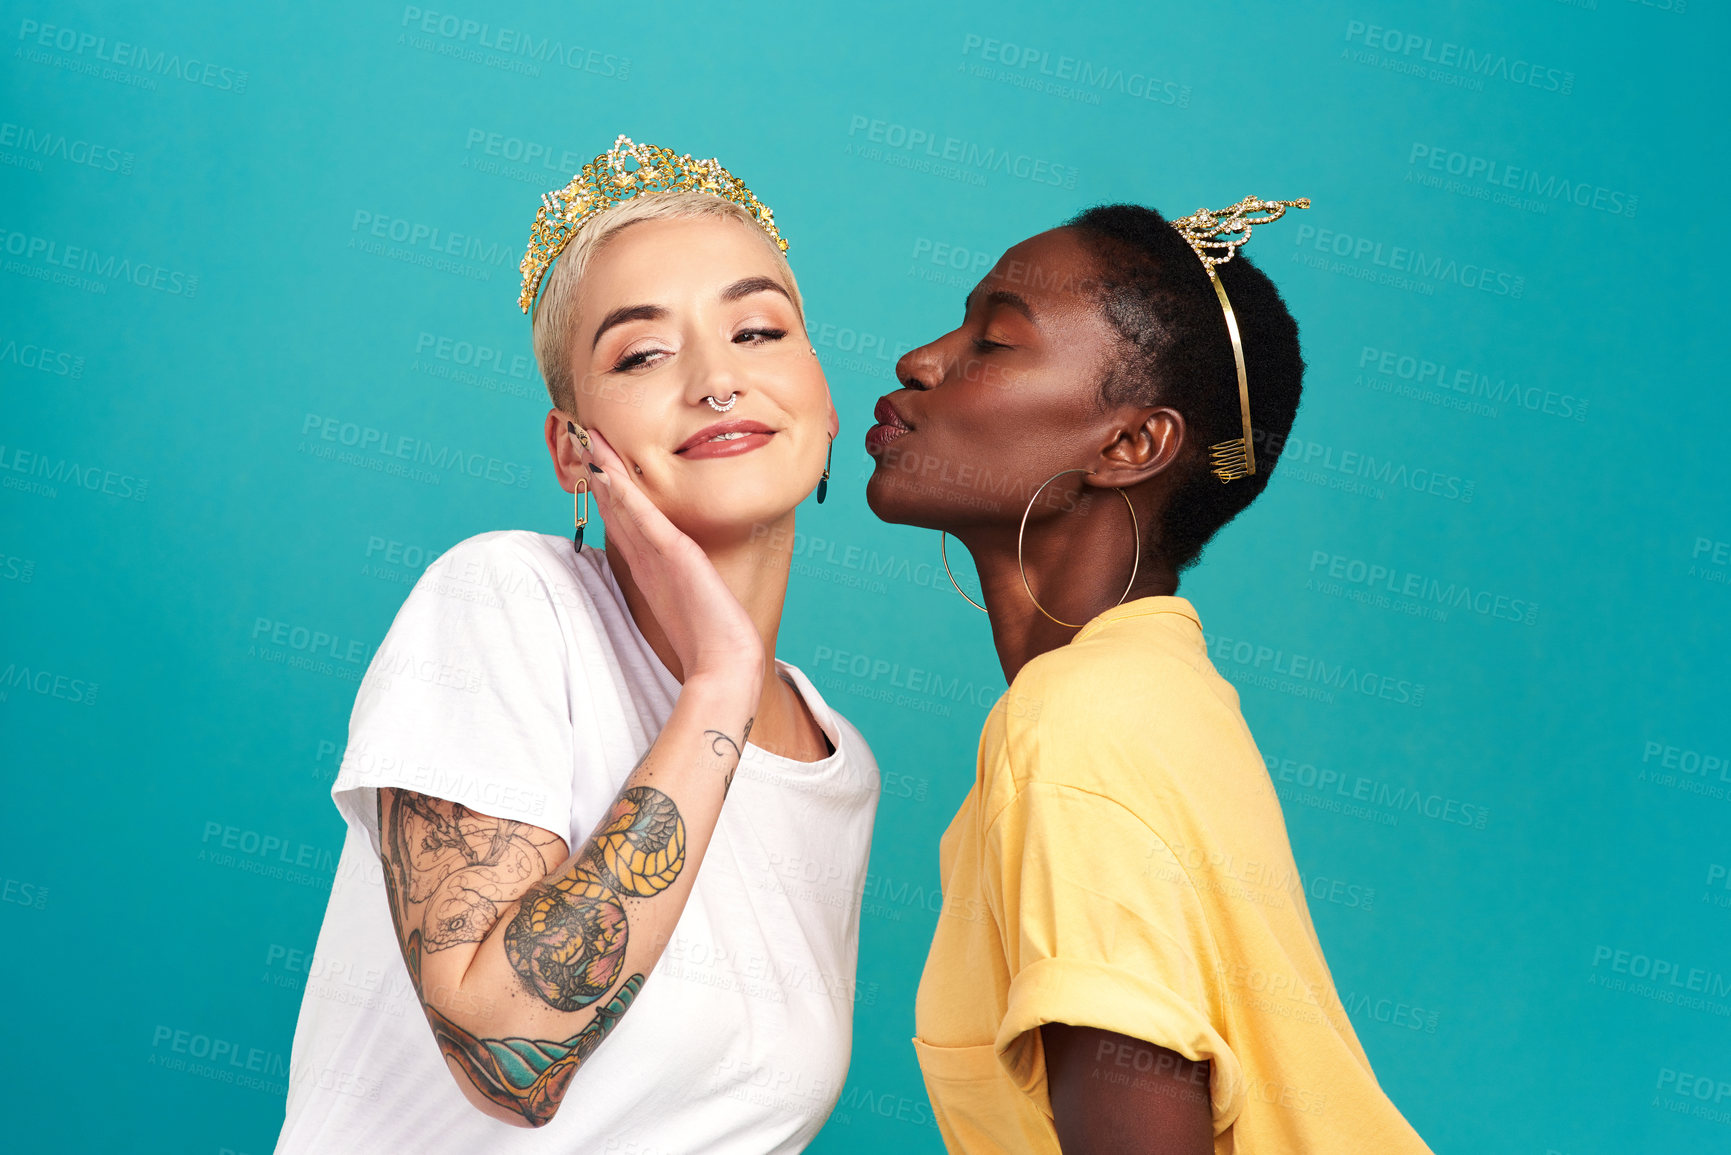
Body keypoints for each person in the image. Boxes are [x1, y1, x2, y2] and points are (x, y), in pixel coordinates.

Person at [277, 136, 880, 1154]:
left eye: (761, 331)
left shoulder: (839, 765)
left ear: (824, 407)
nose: (716, 381)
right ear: (572, 448)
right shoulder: (507, 600)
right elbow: (506, 1051)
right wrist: (721, 683)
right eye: (642, 354)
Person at [864, 198, 1432, 1153]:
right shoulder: (1154, 692)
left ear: (1129, 446)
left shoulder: (1076, 726)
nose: (920, 360)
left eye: (993, 342)